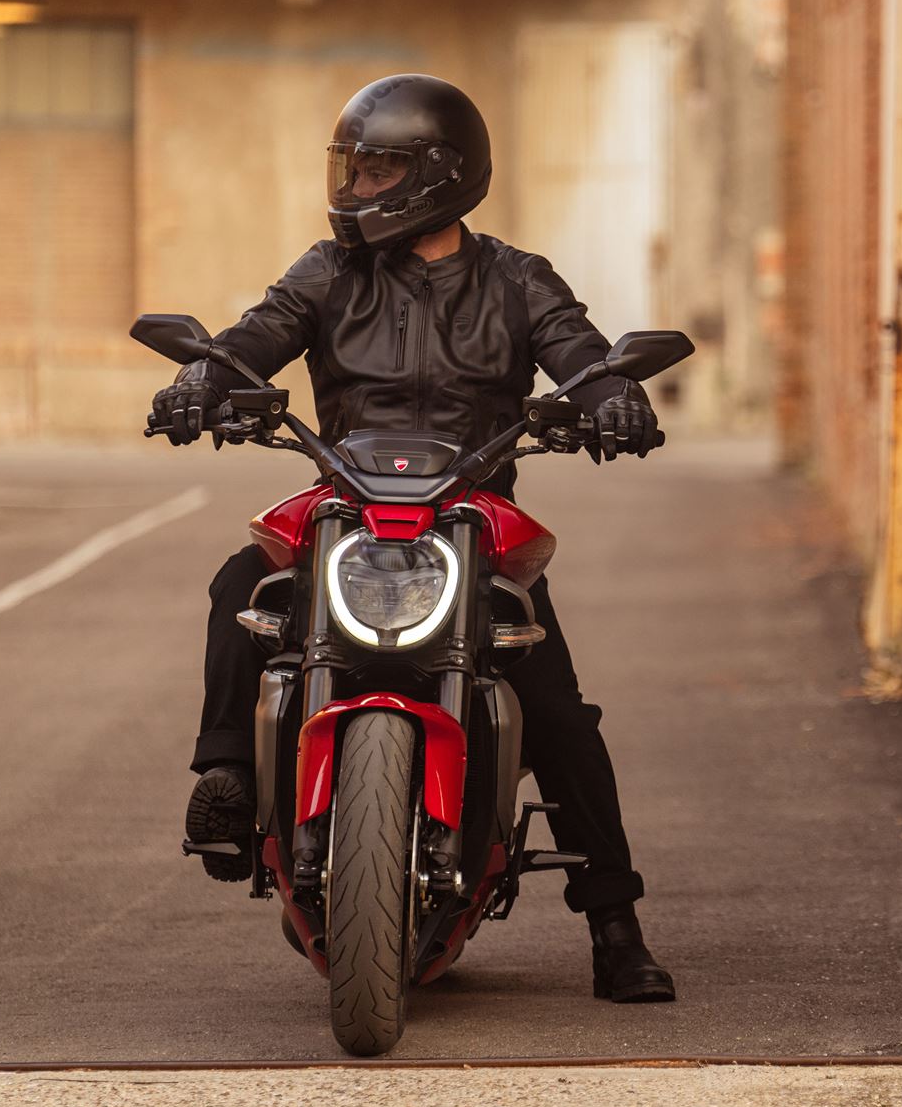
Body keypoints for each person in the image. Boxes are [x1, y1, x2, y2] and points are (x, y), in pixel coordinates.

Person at [152, 73, 673, 1004]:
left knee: (559, 716)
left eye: (377, 171)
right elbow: (252, 339)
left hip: (472, 521)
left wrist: (613, 396)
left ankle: (616, 929)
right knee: (242, 585)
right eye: (352, 169)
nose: (357, 189)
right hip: (350, 505)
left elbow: (579, 353)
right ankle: (227, 778)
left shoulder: (518, 279)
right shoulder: (327, 272)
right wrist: (203, 381)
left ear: (440, 175)